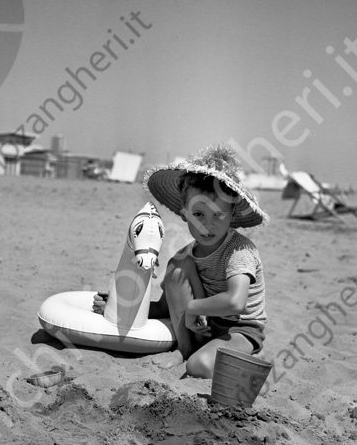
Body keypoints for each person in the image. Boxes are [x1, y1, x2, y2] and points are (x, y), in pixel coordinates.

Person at [93, 144, 269, 379]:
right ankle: (183, 349)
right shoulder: (187, 255)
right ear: (184, 214)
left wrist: (193, 308)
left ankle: (222, 357)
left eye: (218, 214)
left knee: (199, 366)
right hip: (203, 324)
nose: (208, 224)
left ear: (233, 213)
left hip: (239, 329)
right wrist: (120, 306)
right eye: (199, 215)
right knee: (176, 266)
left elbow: (236, 302)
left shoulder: (239, 250)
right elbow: (167, 307)